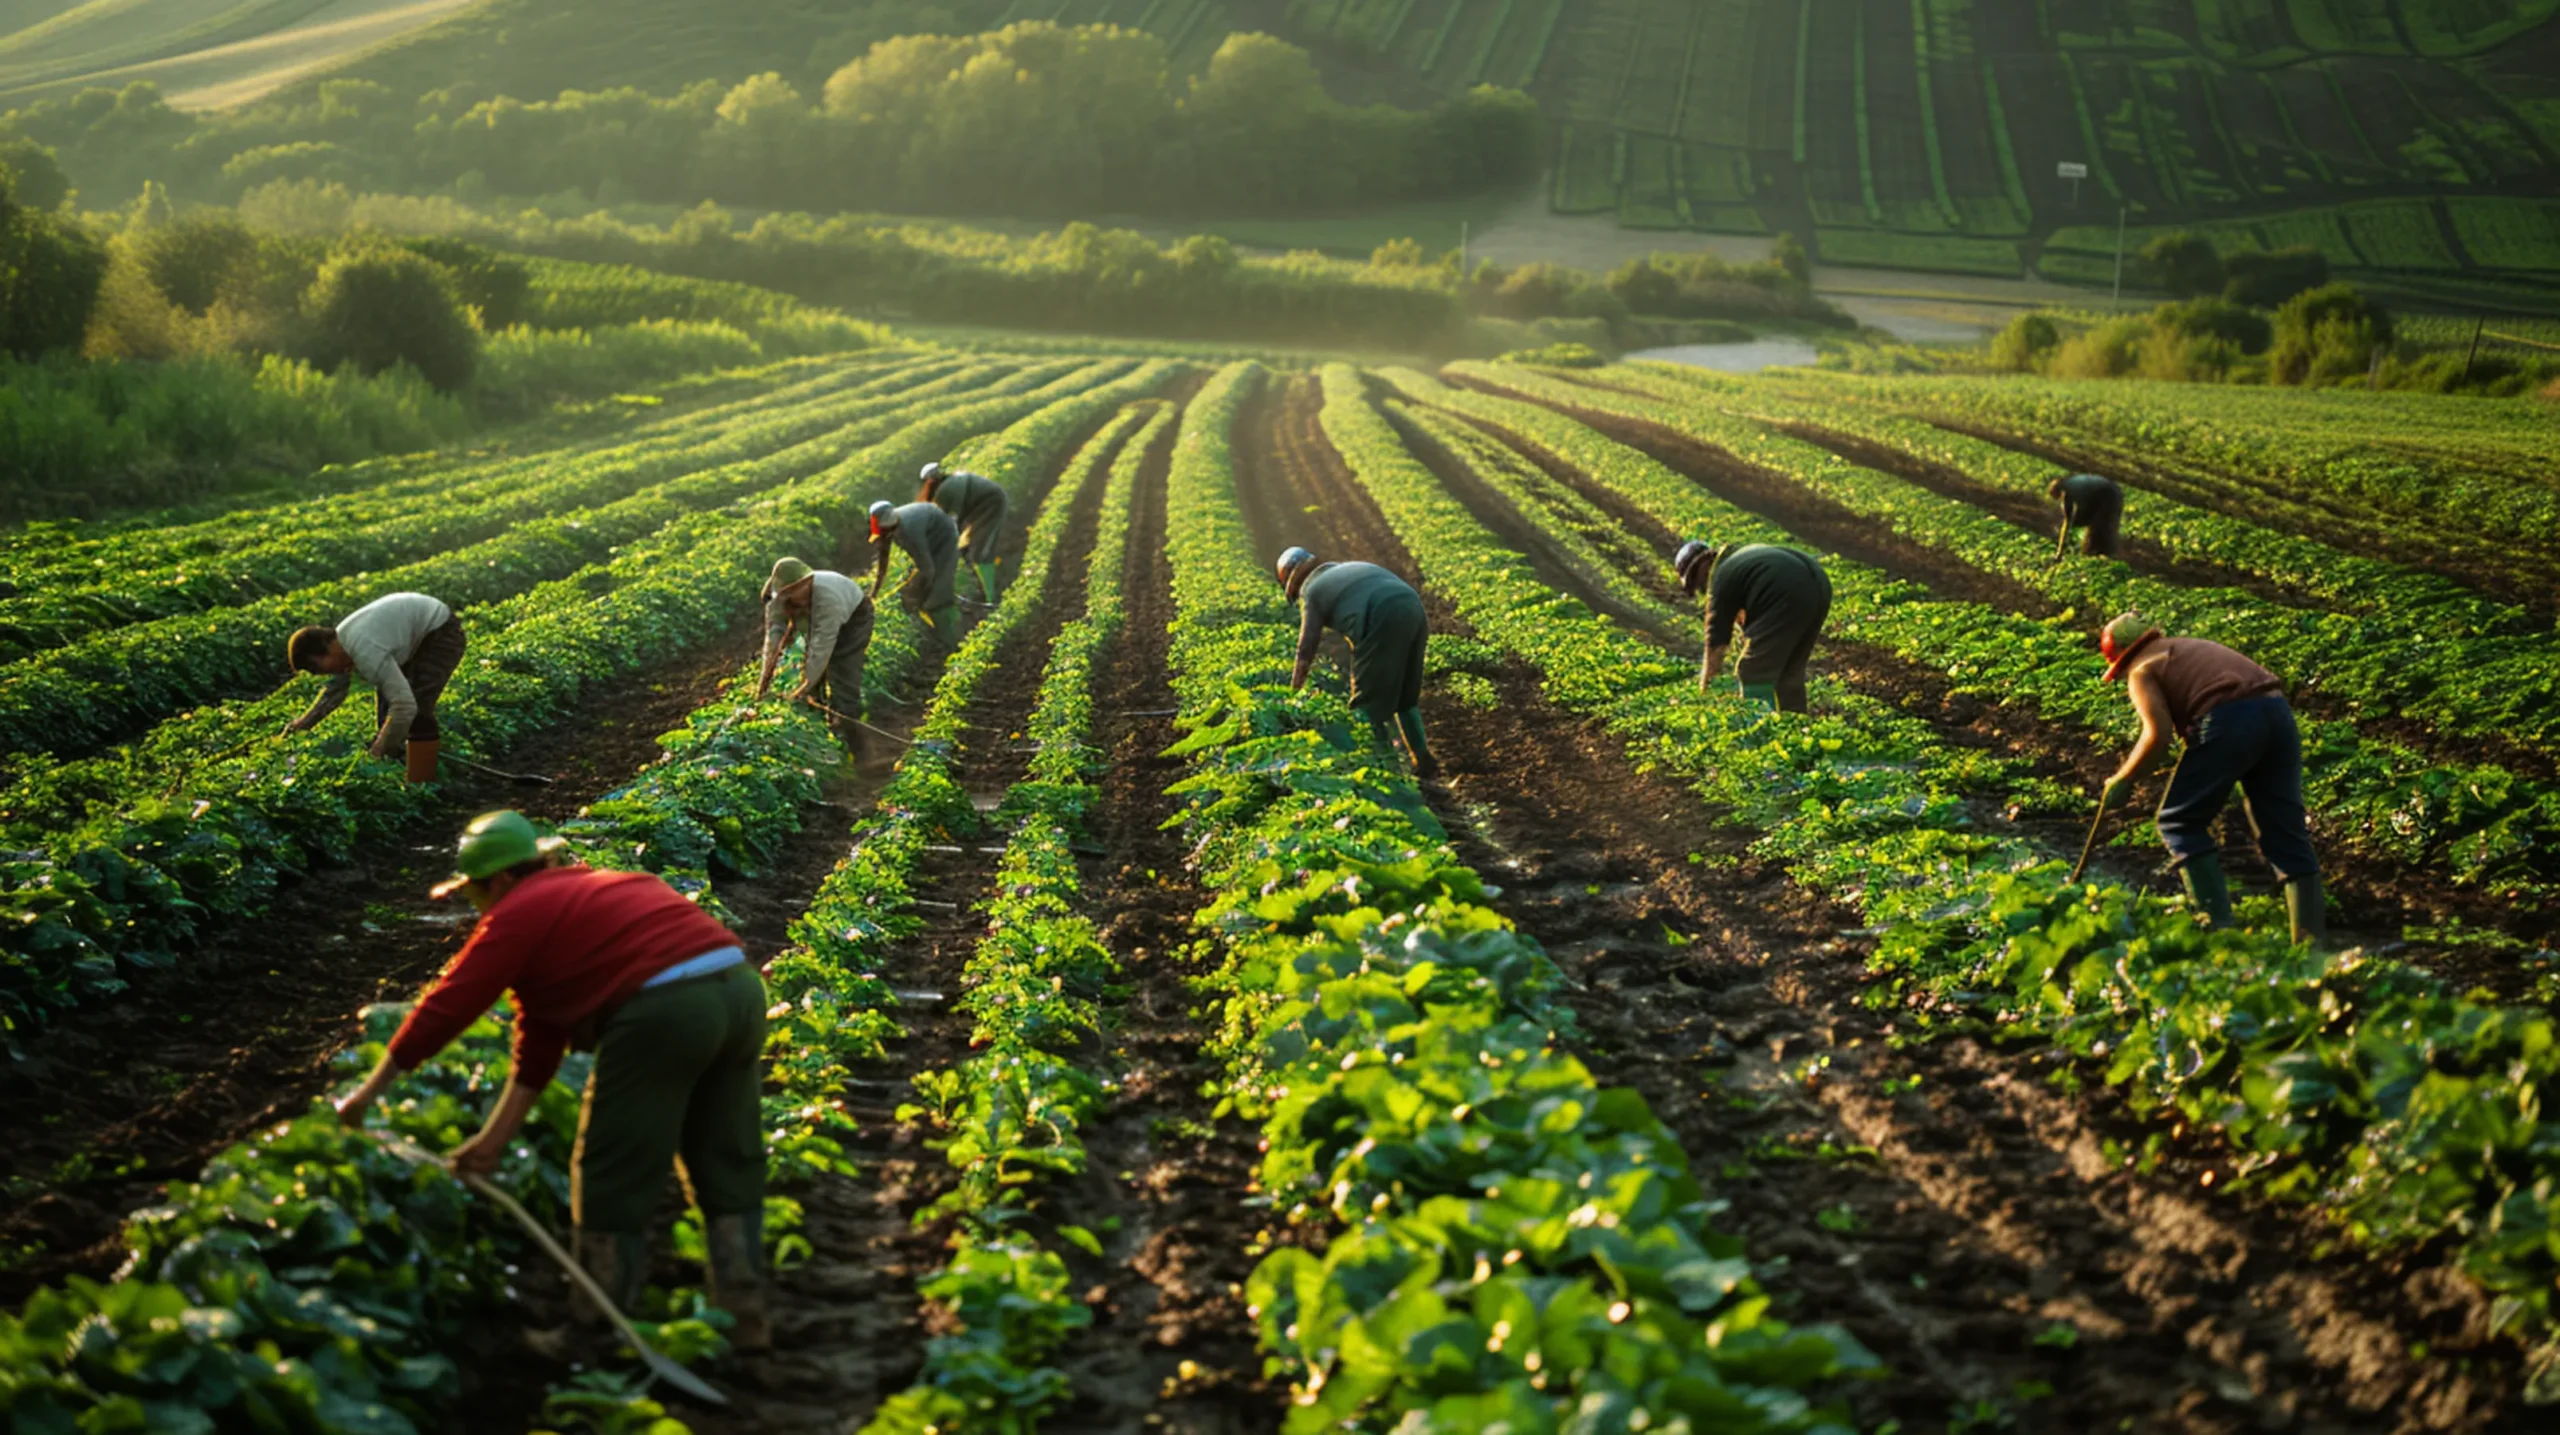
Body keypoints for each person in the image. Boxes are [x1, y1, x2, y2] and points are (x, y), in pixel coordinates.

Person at [332, 810, 774, 1350]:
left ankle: (598, 1327)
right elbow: (538, 1046)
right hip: (741, 992)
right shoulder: (587, 892)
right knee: (726, 1153)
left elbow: (450, 1006)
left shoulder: (520, 910)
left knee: (614, 1166)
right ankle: (745, 1310)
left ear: (496, 881)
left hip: (668, 1010)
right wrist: (492, 1143)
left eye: (473, 893)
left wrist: (364, 1095)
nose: (477, 906)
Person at [2096, 612, 2325, 945]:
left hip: (2229, 718)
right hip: (2277, 714)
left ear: (2122, 659)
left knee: (2179, 821)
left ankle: (2220, 938)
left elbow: (2157, 737)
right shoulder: (2183, 647)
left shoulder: (2141, 670)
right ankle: (2311, 951)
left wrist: (2124, 778)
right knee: (2285, 832)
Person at [1275, 546, 1440, 779]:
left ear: (1292, 582)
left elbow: (1306, 647)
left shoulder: (1312, 591)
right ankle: (1423, 758)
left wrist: (1295, 692)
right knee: (1405, 698)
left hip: (1380, 614)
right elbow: (1355, 616)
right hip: (1412, 606)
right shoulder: (1344, 571)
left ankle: (1383, 769)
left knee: (1366, 706)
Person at [284, 591, 466, 783]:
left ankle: (422, 783)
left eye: (317, 669)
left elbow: (405, 706)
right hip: (416, 632)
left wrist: (377, 751)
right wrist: (300, 726)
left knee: (417, 711)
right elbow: (335, 692)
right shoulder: (344, 641)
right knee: (387, 718)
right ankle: (396, 770)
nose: (325, 674)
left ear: (323, 651)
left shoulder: (364, 650)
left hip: (440, 631)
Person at [1673, 540, 1831, 713]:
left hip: (1785, 590)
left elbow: (1716, 643)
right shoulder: (1739, 559)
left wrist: (1705, 695)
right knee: (1789, 670)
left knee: (1752, 670)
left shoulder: (1721, 576)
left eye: (1697, 582)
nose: (1701, 589)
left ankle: (1761, 729)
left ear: (1704, 565)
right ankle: (1794, 723)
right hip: (1818, 584)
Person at [757, 556, 876, 760]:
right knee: (812, 679)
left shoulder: (828, 599)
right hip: (817, 620)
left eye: (795, 595)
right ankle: (822, 734)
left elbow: (822, 646)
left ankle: (861, 753)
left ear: (808, 582)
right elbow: (773, 638)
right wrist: (763, 682)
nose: (789, 605)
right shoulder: (775, 598)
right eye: (787, 598)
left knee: (843, 680)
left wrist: (804, 687)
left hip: (855, 619)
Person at [866, 499, 962, 649]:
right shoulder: (886, 530)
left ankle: (954, 638)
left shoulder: (910, 531)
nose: (884, 537)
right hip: (927, 534)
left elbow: (927, 569)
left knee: (936, 593)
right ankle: (932, 633)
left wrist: (917, 588)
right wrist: (873, 594)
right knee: (914, 594)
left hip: (944, 536)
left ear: (892, 527)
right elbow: (882, 565)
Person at [918, 461, 1008, 605]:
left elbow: (954, 520)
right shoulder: (949, 484)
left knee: (980, 551)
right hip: (980, 509)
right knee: (965, 548)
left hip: (991, 505)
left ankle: (992, 597)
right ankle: (979, 586)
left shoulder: (948, 488)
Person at [2050, 473, 2124, 560]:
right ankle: (2108, 549)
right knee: (2108, 523)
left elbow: (2068, 521)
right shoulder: (2072, 481)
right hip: (2116, 492)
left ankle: (2101, 552)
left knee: (2093, 523)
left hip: (2106, 495)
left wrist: (2059, 552)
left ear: (2059, 492)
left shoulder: (2068, 492)